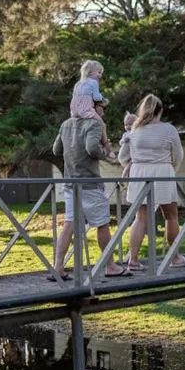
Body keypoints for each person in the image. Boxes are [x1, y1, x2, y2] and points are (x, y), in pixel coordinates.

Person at [51, 98, 130, 280]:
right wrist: (106, 152)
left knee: (69, 224)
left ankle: (58, 267)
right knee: (102, 224)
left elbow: (56, 150)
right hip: (90, 183)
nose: (104, 110)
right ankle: (110, 266)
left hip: (71, 183)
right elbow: (92, 148)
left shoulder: (66, 124)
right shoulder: (93, 123)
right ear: (93, 107)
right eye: (102, 106)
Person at [118, 94, 185, 270]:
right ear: (160, 110)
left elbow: (122, 156)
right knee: (171, 216)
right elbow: (178, 156)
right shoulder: (169, 129)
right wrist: (171, 169)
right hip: (163, 173)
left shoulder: (134, 130)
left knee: (141, 218)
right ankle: (175, 258)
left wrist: (134, 163)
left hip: (139, 174)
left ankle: (133, 260)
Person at [69, 60, 112, 156]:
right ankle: (106, 145)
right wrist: (103, 99)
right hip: (86, 109)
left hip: (74, 111)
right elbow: (96, 97)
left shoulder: (77, 84)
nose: (100, 75)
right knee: (102, 125)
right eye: (99, 72)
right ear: (90, 72)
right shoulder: (93, 82)